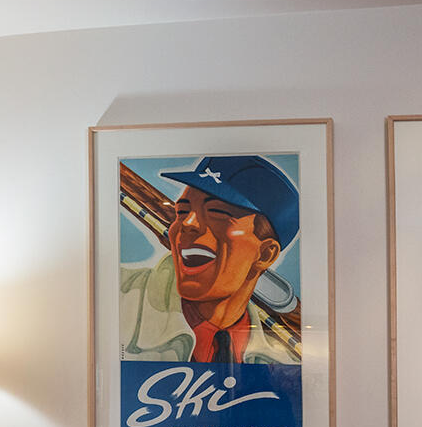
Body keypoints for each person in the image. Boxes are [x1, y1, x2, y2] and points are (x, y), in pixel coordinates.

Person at [119, 154, 300, 365]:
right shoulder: (116, 297)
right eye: (182, 211)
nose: (187, 223)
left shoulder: (286, 362)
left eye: (217, 212)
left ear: (266, 253)